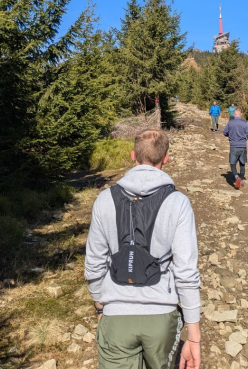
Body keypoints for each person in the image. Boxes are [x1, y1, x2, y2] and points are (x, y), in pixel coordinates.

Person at [85, 129, 201, 369]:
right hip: (161, 317)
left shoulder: (105, 199)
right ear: (166, 158)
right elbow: (186, 273)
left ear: (132, 155)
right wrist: (193, 336)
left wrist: (99, 304)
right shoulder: (178, 203)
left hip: (116, 315)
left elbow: (94, 262)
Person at [223, 108, 248, 189]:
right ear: (240, 114)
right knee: (242, 163)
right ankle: (241, 179)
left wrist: (230, 135)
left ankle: (236, 177)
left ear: (234, 114)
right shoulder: (245, 123)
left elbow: (225, 132)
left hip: (233, 146)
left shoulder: (230, 123)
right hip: (242, 146)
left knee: (232, 164)